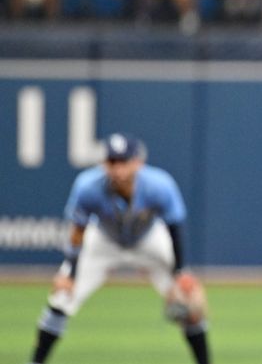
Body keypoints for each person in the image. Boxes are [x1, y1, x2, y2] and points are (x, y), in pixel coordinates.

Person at [28, 133, 210, 364]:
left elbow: (174, 228)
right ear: (104, 164)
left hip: (148, 239)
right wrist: (71, 274)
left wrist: (180, 272)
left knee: (188, 300)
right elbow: (77, 232)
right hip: (104, 240)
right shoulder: (88, 186)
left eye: (124, 162)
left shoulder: (159, 184)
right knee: (62, 297)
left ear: (138, 162)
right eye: (112, 162)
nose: (118, 170)